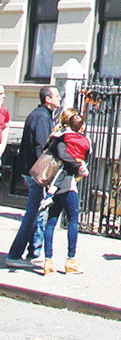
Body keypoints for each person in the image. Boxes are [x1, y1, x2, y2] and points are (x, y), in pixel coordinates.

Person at [6, 85, 61, 267]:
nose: (59, 99)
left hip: (30, 170)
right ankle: (14, 255)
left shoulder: (40, 115)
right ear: (48, 99)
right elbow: (41, 147)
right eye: (57, 96)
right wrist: (45, 175)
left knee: (37, 213)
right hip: (36, 173)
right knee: (32, 214)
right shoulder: (42, 118)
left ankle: (34, 252)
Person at [42, 110, 90, 275]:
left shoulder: (58, 137)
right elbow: (72, 158)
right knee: (73, 220)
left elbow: (53, 152)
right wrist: (78, 166)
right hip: (68, 184)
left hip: (53, 183)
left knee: (51, 222)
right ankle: (71, 260)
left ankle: (48, 261)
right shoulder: (75, 140)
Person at [40, 108, 89, 211]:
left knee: (52, 217)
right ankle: (48, 198)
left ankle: (48, 197)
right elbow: (62, 155)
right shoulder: (64, 136)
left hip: (59, 174)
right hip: (62, 175)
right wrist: (79, 163)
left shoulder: (63, 136)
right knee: (72, 216)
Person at [0, 86, 9, 160]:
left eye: (4, 93)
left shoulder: (4, 110)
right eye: (0, 93)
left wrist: (2, 147)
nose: (4, 96)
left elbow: (6, 127)